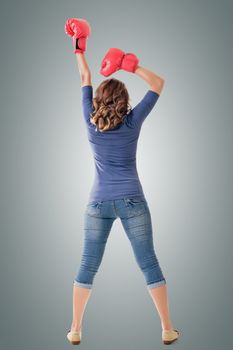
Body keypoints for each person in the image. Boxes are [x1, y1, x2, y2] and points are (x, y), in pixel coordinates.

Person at [64, 18, 180, 346]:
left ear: (99, 99)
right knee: (149, 263)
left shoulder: (90, 120)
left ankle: (74, 329)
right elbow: (158, 83)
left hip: (97, 203)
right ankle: (167, 329)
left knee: (87, 265)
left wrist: (79, 46)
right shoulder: (132, 122)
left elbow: (85, 76)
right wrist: (131, 64)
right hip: (132, 200)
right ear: (124, 100)